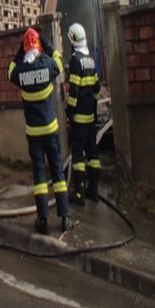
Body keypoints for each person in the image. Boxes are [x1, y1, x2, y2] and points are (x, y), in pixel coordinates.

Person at [9, 27, 72, 235]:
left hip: (33, 134)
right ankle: (65, 217)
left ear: (25, 48)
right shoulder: (48, 66)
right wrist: (46, 43)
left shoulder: (21, 73)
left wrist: (20, 50)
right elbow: (60, 61)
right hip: (51, 131)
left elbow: (10, 70)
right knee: (57, 172)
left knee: (39, 174)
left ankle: (42, 218)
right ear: (39, 47)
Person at [65, 23, 101, 204]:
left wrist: (69, 112)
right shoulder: (91, 60)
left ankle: (78, 193)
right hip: (91, 116)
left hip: (79, 117)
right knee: (93, 152)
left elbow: (73, 91)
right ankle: (93, 190)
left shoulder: (75, 61)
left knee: (78, 153)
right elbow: (97, 88)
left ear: (72, 40)